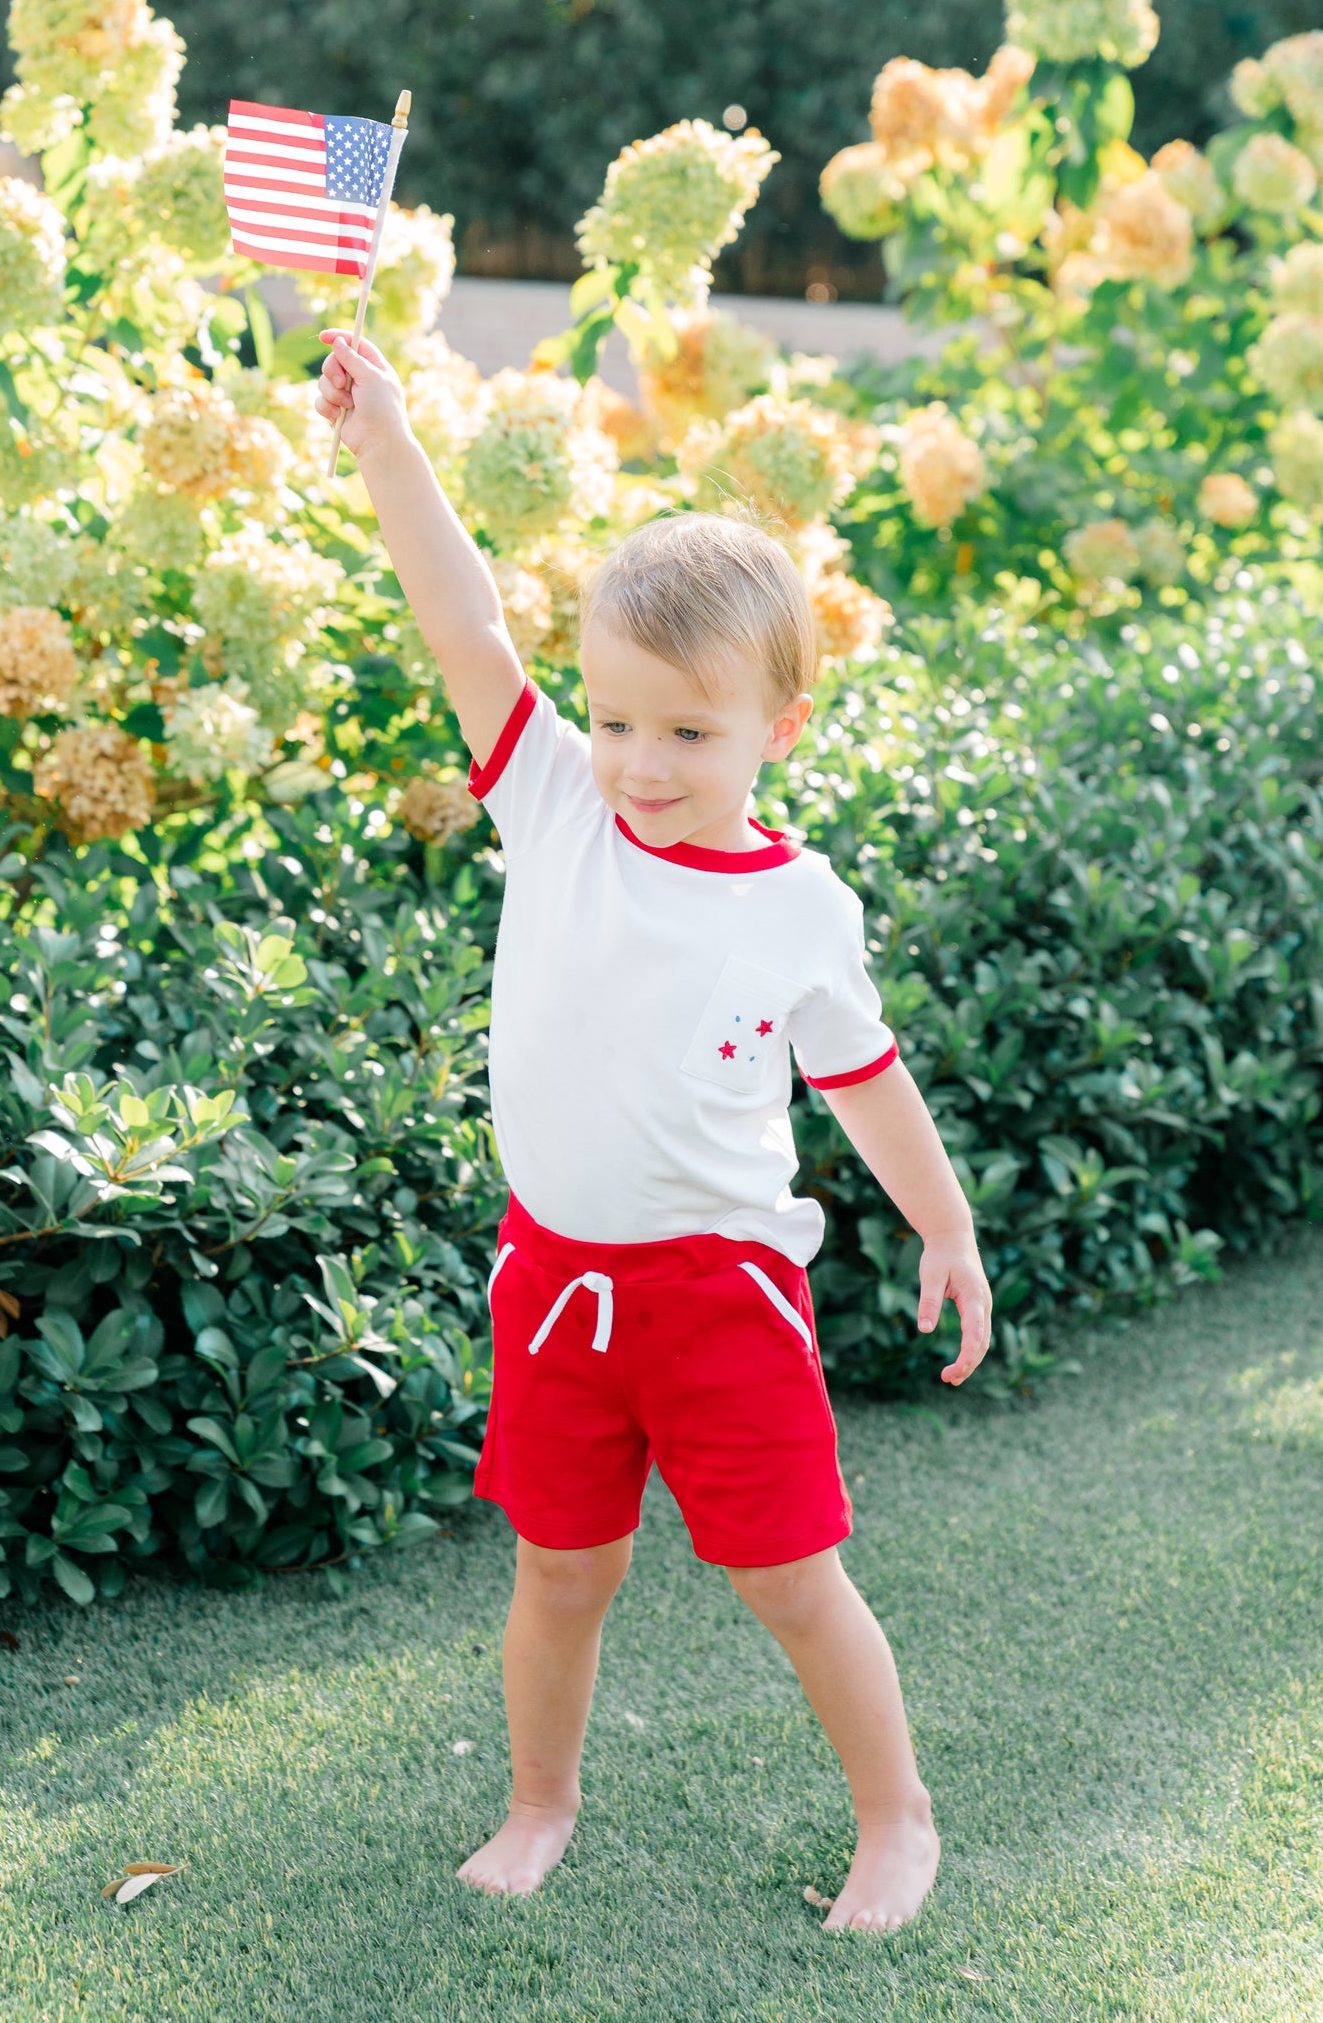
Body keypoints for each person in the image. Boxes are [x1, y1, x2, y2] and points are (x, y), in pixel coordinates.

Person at [314, 329, 994, 1935]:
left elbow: (866, 1080)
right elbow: (462, 614)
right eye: (618, 721)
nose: (640, 764)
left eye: (688, 734)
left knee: (785, 1579)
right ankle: (538, 1803)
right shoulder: (553, 801)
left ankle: (896, 1822)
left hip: (721, 1302)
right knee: (559, 1573)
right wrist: (386, 440)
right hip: (556, 1288)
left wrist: (946, 1227)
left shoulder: (799, 909)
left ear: (780, 727)